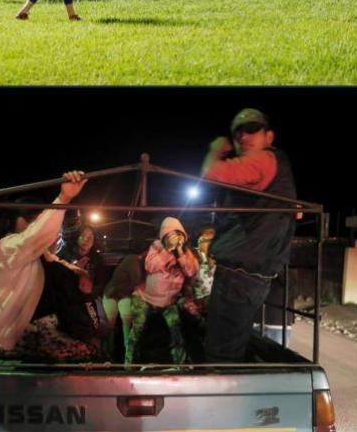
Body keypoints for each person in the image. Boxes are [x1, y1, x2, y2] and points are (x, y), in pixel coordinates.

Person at [202, 108, 299, 364]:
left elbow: (213, 173)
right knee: (232, 347)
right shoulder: (272, 167)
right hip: (249, 275)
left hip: (240, 275)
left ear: (269, 136)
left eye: (252, 129)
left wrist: (215, 150)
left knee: (220, 354)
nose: (243, 136)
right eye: (237, 132)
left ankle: (220, 401)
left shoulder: (264, 160)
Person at [0, 171, 101, 361]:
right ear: (21, 220)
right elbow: (37, 237)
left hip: (28, 328)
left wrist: (77, 271)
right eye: (36, 221)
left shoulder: (32, 252)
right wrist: (64, 197)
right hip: (9, 337)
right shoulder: (7, 247)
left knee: (86, 339)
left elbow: (54, 260)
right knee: (88, 352)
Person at [122, 217, 199, 364]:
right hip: (145, 297)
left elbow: (190, 272)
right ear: (164, 236)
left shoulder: (186, 252)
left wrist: (180, 254)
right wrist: (166, 250)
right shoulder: (157, 246)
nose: (175, 238)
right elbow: (149, 266)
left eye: (178, 234)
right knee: (138, 327)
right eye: (171, 235)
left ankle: (180, 363)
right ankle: (128, 360)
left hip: (169, 302)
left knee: (176, 330)